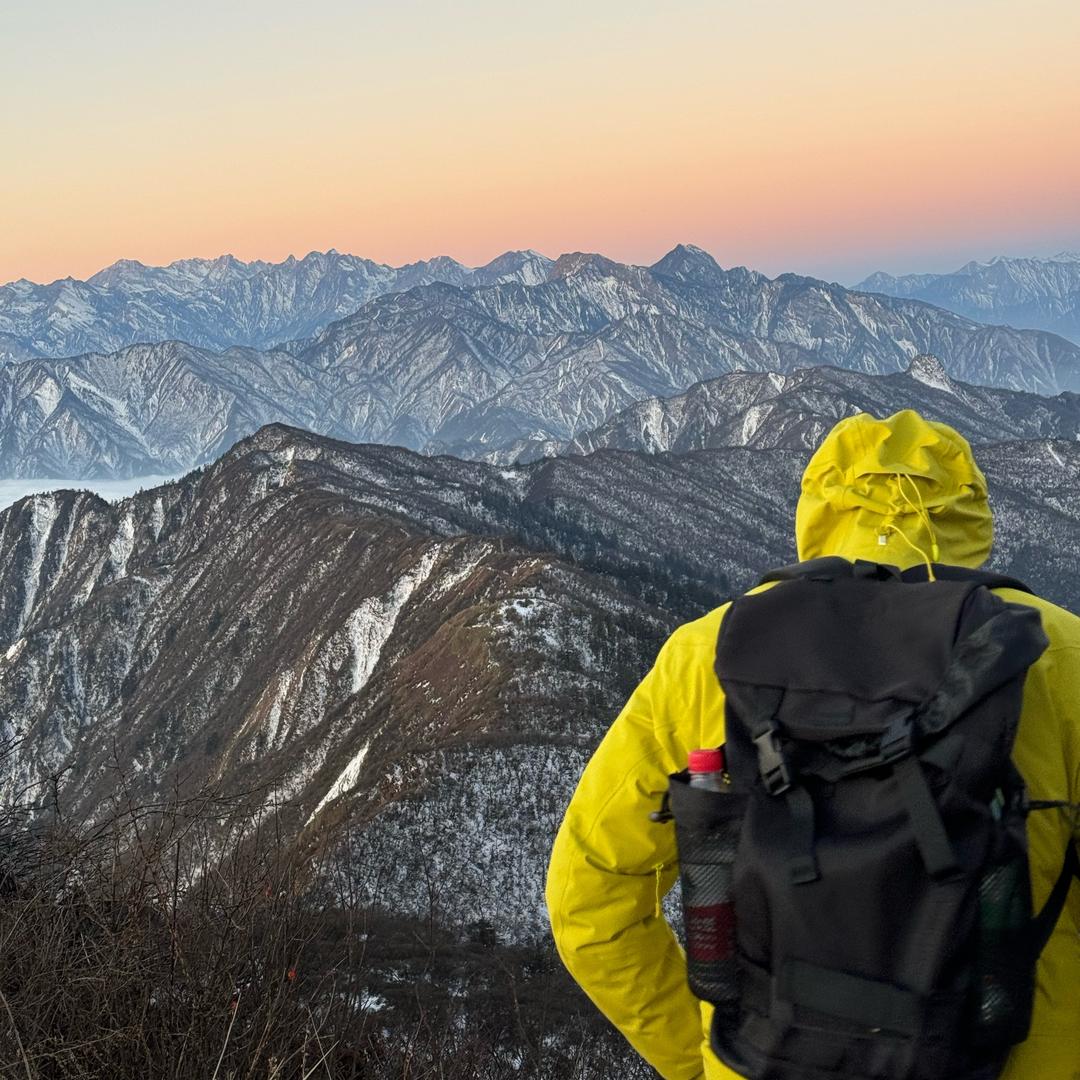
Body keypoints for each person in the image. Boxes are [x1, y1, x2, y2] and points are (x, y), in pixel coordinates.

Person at [546, 410, 1080, 1080]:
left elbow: (587, 899)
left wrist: (701, 1056)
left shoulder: (707, 655)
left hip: (767, 1059)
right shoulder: (1057, 654)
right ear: (972, 520)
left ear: (815, 512)